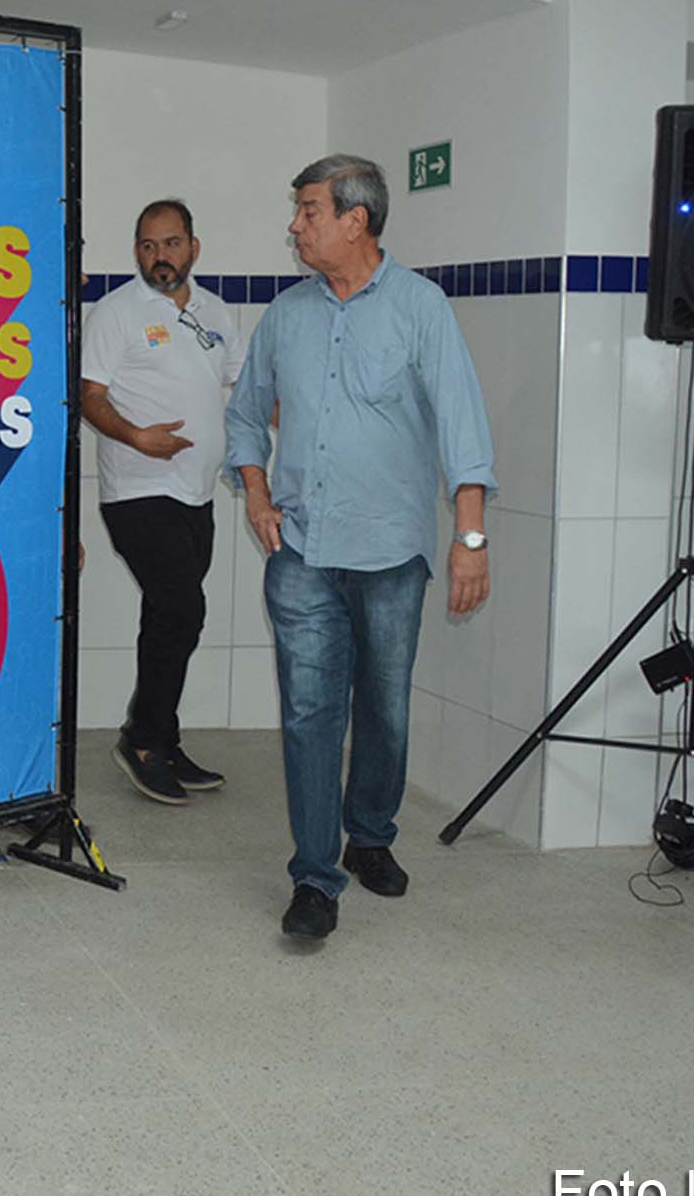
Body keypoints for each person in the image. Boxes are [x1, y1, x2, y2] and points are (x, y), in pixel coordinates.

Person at [225, 154, 495, 942]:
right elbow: (244, 414)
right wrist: (255, 491)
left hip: (390, 553)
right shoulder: (286, 315)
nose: (295, 226)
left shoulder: (420, 307)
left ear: (356, 219)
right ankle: (315, 877)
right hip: (303, 550)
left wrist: (470, 539)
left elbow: (463, 427)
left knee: (385, 708)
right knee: (310, 714)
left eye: (309, 210)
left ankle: (370, 834)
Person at [79, 199, 240, 805]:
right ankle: (143, 741)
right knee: (181, 609)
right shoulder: (116, 312)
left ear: (193, 247)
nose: (159, 256)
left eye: (171, 244)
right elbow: (89, 395)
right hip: (138, 490)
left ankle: (161, 738)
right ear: (136, 252)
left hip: (196, 491)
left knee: (169, 617)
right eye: (148, 246)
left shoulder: (216, 312)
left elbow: (241, 387)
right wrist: (135, 437)